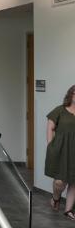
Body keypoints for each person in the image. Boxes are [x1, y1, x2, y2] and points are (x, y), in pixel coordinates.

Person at [45, 84, 75, 219]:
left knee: (74, 181)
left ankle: (68, 210)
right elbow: (50, 126)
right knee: (59, 181)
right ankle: (56, 198)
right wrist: (51, 144)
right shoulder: (60, 110)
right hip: (62, 149)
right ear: (71, 95)